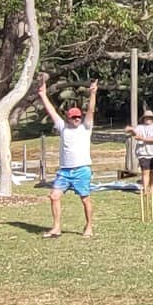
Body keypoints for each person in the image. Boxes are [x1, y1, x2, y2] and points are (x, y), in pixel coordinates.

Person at [38, 78, 97, 238]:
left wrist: (93, 93)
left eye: (78, 117)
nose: (76, 119)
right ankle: (56, 228)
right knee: (54, 196)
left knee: (85, 199)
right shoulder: (62, 127)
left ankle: (89, 226)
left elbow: (91, 110)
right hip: (65, 171)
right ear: (68, 118)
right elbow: (51, 111)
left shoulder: (86, 127)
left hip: (82, 170)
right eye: (73, 117)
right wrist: (43, 95)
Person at [126, 110, 153, 195]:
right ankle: (145, 189)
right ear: (143, 118)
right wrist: (130, 130)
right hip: (142, 153)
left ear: (152, 119)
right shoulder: (140, 127)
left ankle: (152, 186)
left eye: (150, 117)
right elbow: (135, 133)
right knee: (145, 171)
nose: (148, 119)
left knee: (152, 171)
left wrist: (142, 139)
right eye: (146, 117)